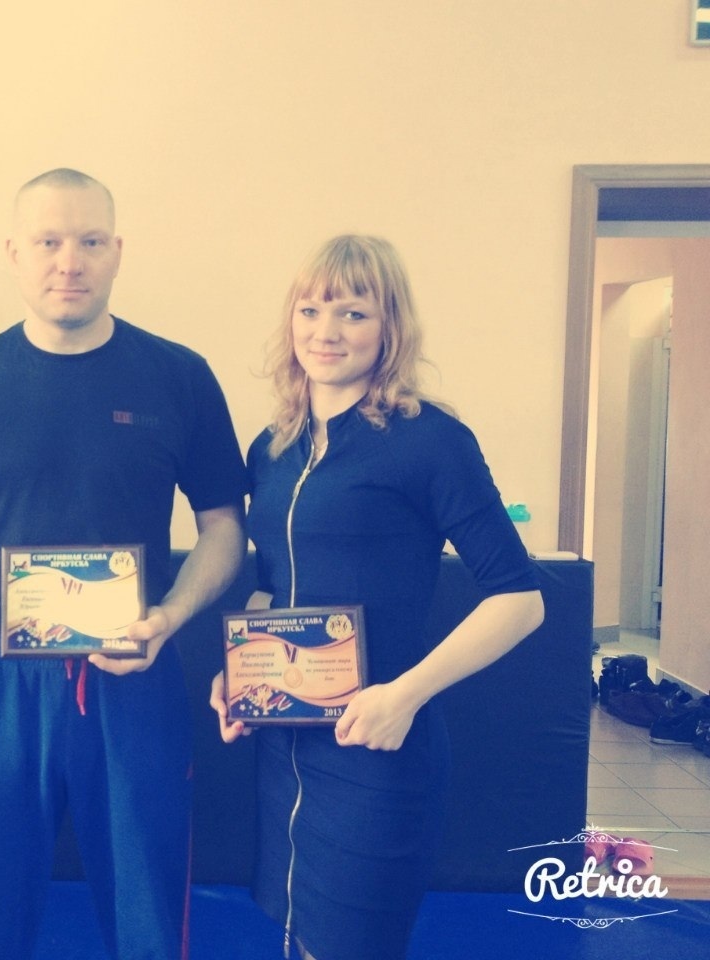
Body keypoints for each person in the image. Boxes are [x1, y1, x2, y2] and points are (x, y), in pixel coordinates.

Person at [0, 168, 247, 960]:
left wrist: (171, 617)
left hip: (133, 672)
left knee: (148, 924)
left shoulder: (179, 376)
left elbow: (225, 531)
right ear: (14, 254)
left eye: (90, 241)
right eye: (49, 242)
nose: (69, 261)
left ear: (117, 251)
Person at [210, 235, 545, 960]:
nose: (326, 331)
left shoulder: (431, 440)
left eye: (353, 313)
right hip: (283, 743)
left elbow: (520, 600)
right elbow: (271, 585)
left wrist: (404, 696)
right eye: (310, 310)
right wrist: (240, 678)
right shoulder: (272, 447)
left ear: (390, 326)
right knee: (295, 935)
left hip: (377, 748)